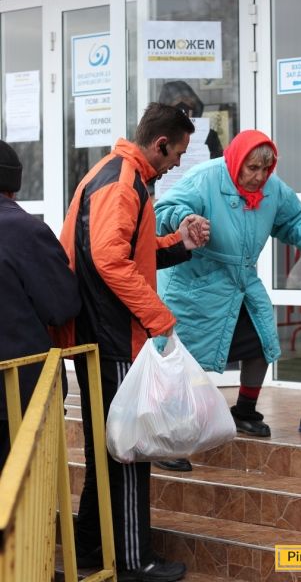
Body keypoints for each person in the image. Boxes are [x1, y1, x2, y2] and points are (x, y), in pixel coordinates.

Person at [59, 103, 209, 582]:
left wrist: (180, 242)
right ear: (160, 144)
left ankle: (90, 545)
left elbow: (128, 253)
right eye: (177, 153)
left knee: (111, 450)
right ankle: (134, 560)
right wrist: (158, 318)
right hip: (113, 337)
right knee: (129, 452)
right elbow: (110, 260)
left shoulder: (117, 174)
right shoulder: (123, 181)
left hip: (102, 334)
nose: (177, 164)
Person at [154, 129, 301, 472]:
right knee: (182, 361)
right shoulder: (206, 178)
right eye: (252, 168)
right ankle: (165, 435)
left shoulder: (271, 189)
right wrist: (185, 220)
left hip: (239, 281)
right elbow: (165, 209)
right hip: (195, 282)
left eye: (265, 169)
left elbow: (292, 218)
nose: (259, 176)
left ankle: (245, 411)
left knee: (261, 342)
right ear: (236, 162)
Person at [0, 140, 81, 473]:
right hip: (17, 396)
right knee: (22, 489)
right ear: (13, 186)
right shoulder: (26, 230)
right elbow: (62, 305)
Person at [158, 80, 223, 159]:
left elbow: (217, 160)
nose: (183, 109)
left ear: (194, 107)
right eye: (176, 101)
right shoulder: (159, 137)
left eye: (187, 101)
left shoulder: (209, 135)